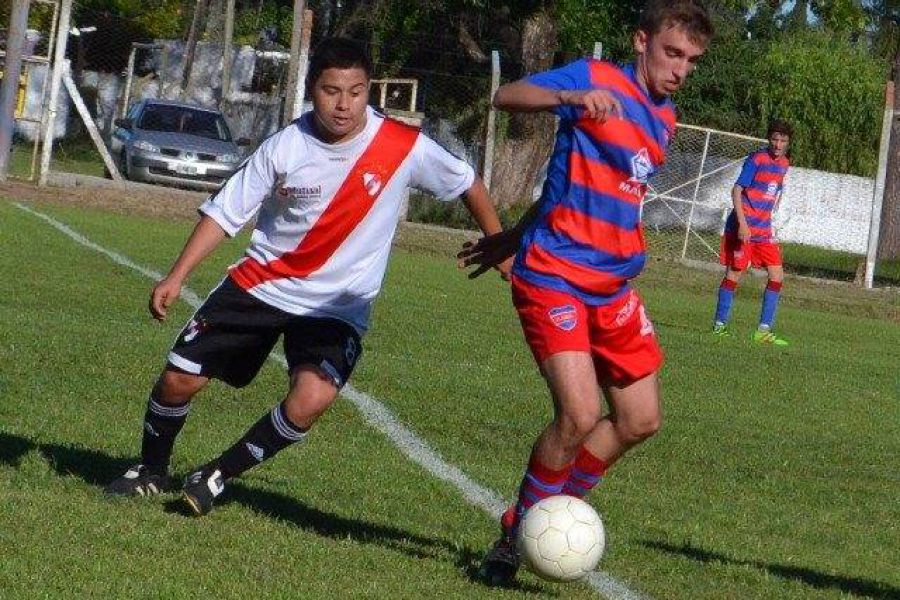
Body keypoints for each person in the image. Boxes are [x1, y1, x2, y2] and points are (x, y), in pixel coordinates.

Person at [104, 37, 511, 515]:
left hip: (338, 305)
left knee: (312, 398)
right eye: (331, 90)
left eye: (356, 92)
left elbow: (467, 182)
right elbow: (224, 213)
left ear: (368, 92)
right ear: (312, 90)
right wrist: (176, 276)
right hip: (264, 284)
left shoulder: (401, 145)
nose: (344, 105)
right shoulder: (285, 147)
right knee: (179, 380)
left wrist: (499, 244)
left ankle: (217, 474)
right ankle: (151, 469)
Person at [457, 0, 713, 587]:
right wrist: (569, 99)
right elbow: (508, 96)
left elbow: (572, 184)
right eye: (672, 53)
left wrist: (514, 232)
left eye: (692, 61)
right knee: (579, 413)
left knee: (640, 419)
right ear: (641, 41)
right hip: (555, 277)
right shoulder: (595, 79)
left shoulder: (665, 117)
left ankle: (539, 518)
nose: (680, 69)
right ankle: (514, 540)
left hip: (614, 284)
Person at [713, 120, 793, 345]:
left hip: (763, 231)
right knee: (734, 274)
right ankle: (720, 326)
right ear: (769, 139)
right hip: (743, 227)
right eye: (775, 139)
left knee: (777, 277)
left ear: (788, 143)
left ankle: (763, 331)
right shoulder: (756, 159)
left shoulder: (784, 164)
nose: (778, 144)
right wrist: (742, 223)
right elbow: (737, 190)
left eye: (783, 140)